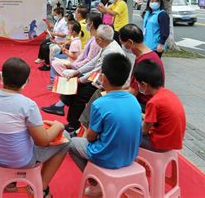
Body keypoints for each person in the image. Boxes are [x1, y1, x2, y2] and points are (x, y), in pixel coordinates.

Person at [0, 58, 70, 197]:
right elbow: (42, 141)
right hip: (22, 160)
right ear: (27, 82)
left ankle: (10, 182)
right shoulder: (27, 104)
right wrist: (58, 126)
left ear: (0, 76)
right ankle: (42, 186)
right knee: (66, 138)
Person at [69, 53, 142, 196]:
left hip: (107, 157)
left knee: (71, 144)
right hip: (131, 155)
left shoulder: (99, 104)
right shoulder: (134, 101)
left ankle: (95, 181)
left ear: (103, 78)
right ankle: (97, 181)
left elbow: (90, 138)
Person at [42, 25, 125, 130]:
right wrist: (77, 72)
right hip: (99, 77)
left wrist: (79, 79)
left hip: (105, 84)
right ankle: (62, 108)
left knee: (79, 94)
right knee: (74, 83)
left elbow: (96, 70)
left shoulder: (110, 51)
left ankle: (73, 124)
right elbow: (93, 62)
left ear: (99, 39)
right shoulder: (108, 44)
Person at [132, 60, 186, 152]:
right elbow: (154, 119)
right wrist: (139, 114)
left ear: (144, 84)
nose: (138, 86)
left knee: (128, 133)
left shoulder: (153, 102)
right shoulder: (168, 94)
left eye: (138, 83)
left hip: (160, 144)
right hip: (173, 142)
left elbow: (144, 130)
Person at [48, 14, 103, 88]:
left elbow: (89, 60)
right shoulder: (92, 38)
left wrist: (74, 66)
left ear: (91, 24)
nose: (85, 24)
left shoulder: (95, 41)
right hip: (80, 64)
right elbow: (84, 56)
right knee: (55, 59)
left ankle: (62, 82)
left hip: (84, 68)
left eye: (87, 22)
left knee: (55, 62)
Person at [119, 24, 165, 110]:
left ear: (130, 42)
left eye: (122, 43)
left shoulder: (144, 60)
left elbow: (132, 93)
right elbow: (133, 85)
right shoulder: (148, 55)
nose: (123, 47)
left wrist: (111, 92)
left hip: (145, 104)